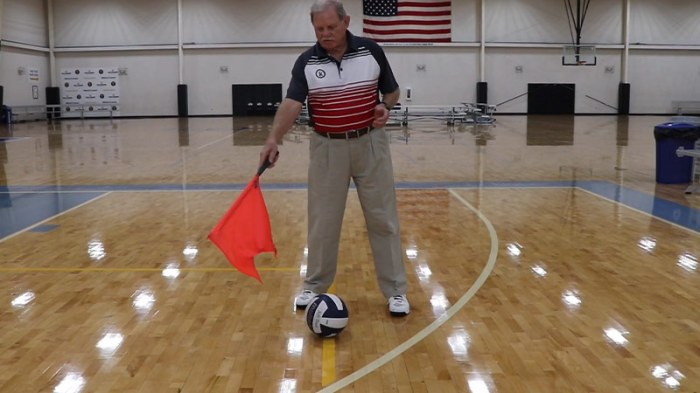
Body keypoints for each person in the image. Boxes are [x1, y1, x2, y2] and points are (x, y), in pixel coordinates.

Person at [258, 0, 409, 316]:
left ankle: (396, 290)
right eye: (319, 29)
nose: (325, 34)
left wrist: (386, 106)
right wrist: (274, 138)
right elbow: (292, 103)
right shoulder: (307, 62)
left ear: (346, 21)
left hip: (370, 145)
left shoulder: (371, 51)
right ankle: (314, 285)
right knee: (323, 223)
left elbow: (393, 92)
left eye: (331, 27)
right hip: (327, 148)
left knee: (383, 219)